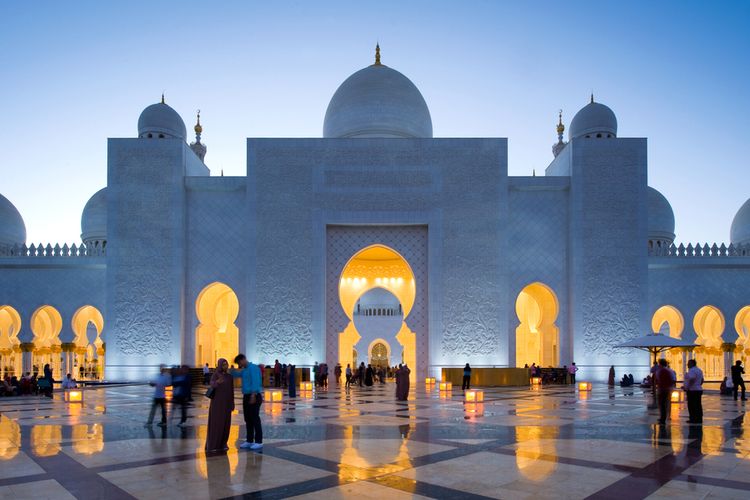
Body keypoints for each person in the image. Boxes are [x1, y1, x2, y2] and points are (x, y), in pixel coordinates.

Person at [232, 353, 263, 450]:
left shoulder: (253, 368)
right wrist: (228, 370)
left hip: (254, 396)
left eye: (239, 362)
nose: (239, 365)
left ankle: (258, 441)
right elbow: (236, 374)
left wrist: (253, 395)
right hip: (246, 396)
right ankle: (249, 440)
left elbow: (256, 382)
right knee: (248, 419)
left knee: (255, 418)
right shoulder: (244, 370)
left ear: (243, 359)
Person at [205, 358, 234, 452]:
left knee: (225, 423)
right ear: (220, 365)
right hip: (217, 404)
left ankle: (223, 443)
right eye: (224, 364)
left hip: (226, 404)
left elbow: (231, 391)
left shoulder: (229, 377)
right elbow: (212, 384)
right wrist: (217, 382)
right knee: (217, 423)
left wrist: (232, 403)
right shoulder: (216, 375)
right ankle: (214, 444)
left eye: (227, 364)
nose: (226, 366)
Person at [684, 359, 704, 424]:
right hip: (698, 389)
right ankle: (699, 418)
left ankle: (693, 419)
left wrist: (687, 387)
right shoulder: (699, 370)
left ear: (692, 364)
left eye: (688, 363)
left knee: (692, 405)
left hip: (692, 390)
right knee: (698, 405)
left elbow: (691, 379)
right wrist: (698, 385)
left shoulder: (692, 370)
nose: (687, 364)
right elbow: (702, 380)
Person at [655, 358, 674, 424]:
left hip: (663, 389)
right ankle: (663, 417)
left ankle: (662, 418)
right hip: (665, 389)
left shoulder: (662, 371)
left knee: (662, 404)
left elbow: (661, 381)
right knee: (663, 404)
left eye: (659, 363)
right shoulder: (667, 371)